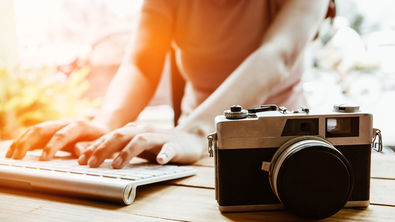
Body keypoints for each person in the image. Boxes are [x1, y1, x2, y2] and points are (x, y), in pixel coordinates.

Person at [6, 0, 332, 168]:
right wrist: (105, 123)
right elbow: (141, 63)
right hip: (195, 139)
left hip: (277, 141)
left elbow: (278, 55)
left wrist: (194, 132)